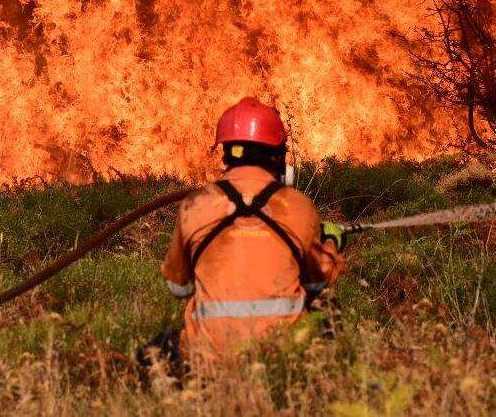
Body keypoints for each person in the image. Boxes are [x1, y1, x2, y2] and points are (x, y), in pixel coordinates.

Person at [142, 97, 347, 370]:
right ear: (277, 155)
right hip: (282, 357)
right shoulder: (297, 205)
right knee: (328, 310)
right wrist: (331, 241)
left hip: (208, 359)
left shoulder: (196, 204)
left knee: (151, 354)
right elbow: (316, 283)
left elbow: (178, 287)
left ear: (226, 153)